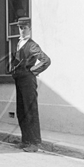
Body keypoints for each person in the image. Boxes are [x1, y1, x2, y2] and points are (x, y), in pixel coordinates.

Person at [11, 17, 51, 152]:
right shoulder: (19, 43)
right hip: (19, 81)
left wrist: (33, 71)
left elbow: (46, 60)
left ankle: (35, 143)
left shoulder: (32, 45)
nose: (22, 30)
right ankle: (25, 140)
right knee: (21, 111)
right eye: (20, 28)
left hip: (28, 81)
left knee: (31, 111)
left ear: (30, 29)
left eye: (25, 28)